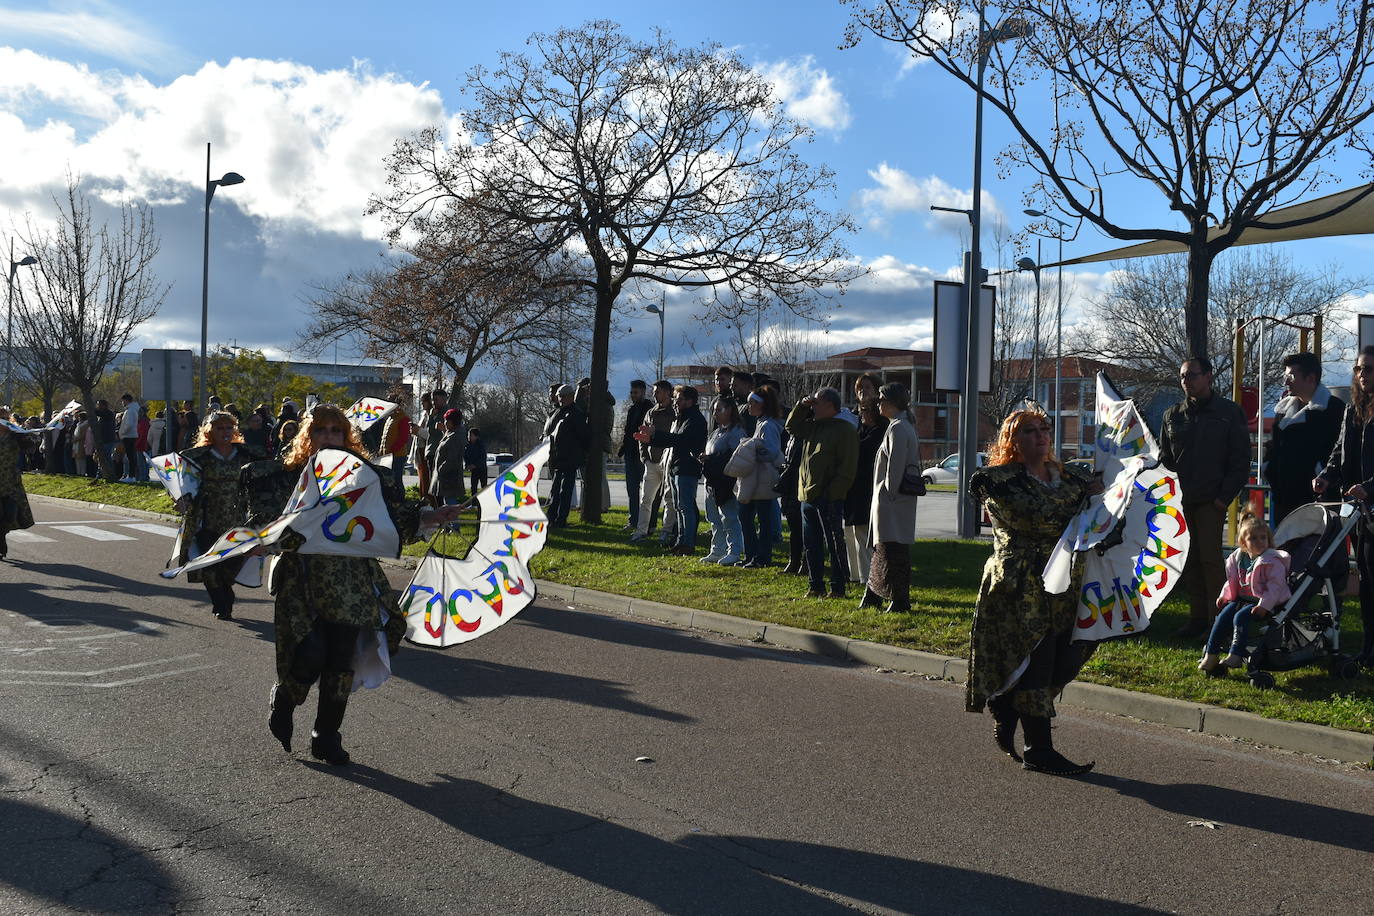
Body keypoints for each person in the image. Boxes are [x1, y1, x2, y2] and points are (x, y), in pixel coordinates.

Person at [264, 405, 459, 765]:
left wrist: (433, 516)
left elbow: (395, 520)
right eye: (320, 430)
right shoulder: (285, 476)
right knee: (309, 654)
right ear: (308, 436)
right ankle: (286, 699)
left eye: (336, 431)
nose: (328, 437)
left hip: (352, 580)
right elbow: (264, 524)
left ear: (346, 437)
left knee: (341, 659)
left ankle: (325, 735)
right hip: (303, 579)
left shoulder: (367, 479)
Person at [968, 408, 1101, 776]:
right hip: (1020, 584)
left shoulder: (1071, 477)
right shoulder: (999, 481)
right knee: (1037, 662)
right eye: (1030, 431)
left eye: (1045, 429)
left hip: (1065, 583)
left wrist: (1098, 499)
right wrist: (1084, 500)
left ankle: (1008, 705)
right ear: (1013, 440)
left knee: (1072, 653)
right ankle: (1039, 748)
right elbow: (1037, 518)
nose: (1041, 436)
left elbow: (1100, 518)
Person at [1158, 356, 1250, 638]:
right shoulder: (1172, 415)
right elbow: (1165, 459)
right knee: (1190, 561)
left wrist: (1224, 498)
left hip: (1212, 500)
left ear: (1208, 376)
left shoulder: (1228, 412)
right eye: (1184, 376)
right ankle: (1197, 619)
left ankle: (1218, 622)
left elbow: (1240, 460)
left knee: (1211, 560)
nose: (1187, 381)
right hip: (1181, 501)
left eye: (1193, 375)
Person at [173, 411, 264, 620]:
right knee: (209, 565)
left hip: (237, 519)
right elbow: (183, 484)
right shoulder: (199, 456)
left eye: (229, 428)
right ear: (210, 431)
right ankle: (221, 603)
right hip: (208, 518)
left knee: (232, 564)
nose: (225, 432)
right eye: (219, 428)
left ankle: (226, 592)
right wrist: (181, 500)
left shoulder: (246, 454)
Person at [1315, 346, 1374, 666]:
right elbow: (1338, 454)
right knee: (1365, 579)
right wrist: (1326, 477)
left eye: (1370, 369)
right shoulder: (1353, 409)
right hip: (1357, 510)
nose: (1363, 374)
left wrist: (1369, 488)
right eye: (1359, 369)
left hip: (1370, 503)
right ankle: (1368, 648)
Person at [786, 387, 858, 598]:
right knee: (812, 545)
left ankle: (838, 587)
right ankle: (815, 585)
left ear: (829, 405)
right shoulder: (813, 427)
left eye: (816, 402)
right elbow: (791, 426)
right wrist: (802, 405)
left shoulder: (845, 430)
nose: (813, 406)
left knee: (833, 545)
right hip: (807, 496)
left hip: (828, 498)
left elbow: (847, 467)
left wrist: (832, 493)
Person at [1198, 512, 1291, 673]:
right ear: (1243, 543)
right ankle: (1211, 654)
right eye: (1253, 539)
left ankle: (1236, 654)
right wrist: (1224, 596)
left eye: (1263, 538)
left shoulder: (1272, 561)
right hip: (1243, 599)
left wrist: (1264, 606)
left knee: (1239, 617)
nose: (1259, 542)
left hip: (1265, 602)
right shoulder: (1239, 558)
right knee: (1222, 617)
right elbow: (1233, 581)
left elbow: (1275, 587)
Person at [1266, 352, 1344, 524]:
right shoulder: (1282, 410)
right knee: (1284, 549)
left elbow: (1339, 453)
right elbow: (1275, 448)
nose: (1286, 382)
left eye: (1291, 376)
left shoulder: (1335, 410)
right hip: (1283, 498)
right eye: (1285, 377)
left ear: (1310, 378)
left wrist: (1322, 475)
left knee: (1317, 549)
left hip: (1317, 500)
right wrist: (1269, 467)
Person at [862, 384, 919, 613]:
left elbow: (894, 468)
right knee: (885, 549)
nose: (878, 404)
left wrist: (887, 494)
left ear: (892, 402)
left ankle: (898, 599)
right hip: (896, 501)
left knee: (891, 549)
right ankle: (875, 595)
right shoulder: (902, 426)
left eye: (881, 400)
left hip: (892, 502)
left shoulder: (898, 428)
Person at [637, 384, 707, 555]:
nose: (676, 402)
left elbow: (681, 440)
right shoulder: (683, 417)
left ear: (690, 401)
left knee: (685, 507)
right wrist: (651, 439)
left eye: (679, 399)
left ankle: (687, 543)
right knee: (679, 506)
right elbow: (673, 440)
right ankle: (680, 540)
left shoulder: (695, 419)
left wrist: (655, 435)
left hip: (687, 468)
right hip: (677, 467)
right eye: (675, 398)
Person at [736, 385, 783, 568]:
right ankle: (752, 554)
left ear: (762, 405)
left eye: (752, 403)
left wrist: (753, 451)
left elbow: (771, 451)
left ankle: (762, 556)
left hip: (763, 478)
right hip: (756, 478)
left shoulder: (768, 425)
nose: (749, 407)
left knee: (761, 519)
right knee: (748, 517)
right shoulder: (760, 422)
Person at [845, 400, 888, 586]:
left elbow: (859, 451)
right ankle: (856, 574)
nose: (861, 416)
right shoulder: (861, 432)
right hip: (854, 490)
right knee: (852, 532)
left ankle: (867, 577)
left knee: (863, 534)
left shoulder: (878, 434)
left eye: (864, 412)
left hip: (867, 490)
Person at [701, 399, 746, 565]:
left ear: (730, 411)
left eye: (719, 410)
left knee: (729, 517)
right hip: (712, 480)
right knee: (713, 517)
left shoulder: (736, 432)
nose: (715, 413)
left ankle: (734, 550)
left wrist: (713, 459)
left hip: (726, 482)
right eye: (714, 410)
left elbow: (736, 456)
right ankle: (717, 549)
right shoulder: (716, 432)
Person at [630, 380, 675, 543]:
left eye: (657, 392)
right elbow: (642, 435)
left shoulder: (675, 412)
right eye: (654, 392)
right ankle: (641, 531)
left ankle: (666, 531)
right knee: (646, 498)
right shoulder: (650, 412)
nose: (654, 395)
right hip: (652, 463)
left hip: (669, 462)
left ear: (667, 392)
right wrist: (645, 457)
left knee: (669, 499)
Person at [547, 384, 590, 527]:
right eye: (559, 396)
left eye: (562, 396)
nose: (559, 399)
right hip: (559, 457)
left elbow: (583, 435)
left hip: (570, 458)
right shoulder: (558, 412)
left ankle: (560, 519)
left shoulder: (575, 413)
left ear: (570, 397)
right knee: (556, 491)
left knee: (565, 492)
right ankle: (552, 518)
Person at [0, 410, 35, 559]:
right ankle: (1, 544)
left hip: (10, 482)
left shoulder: (14, 434)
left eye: (4, 418)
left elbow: (31, 445)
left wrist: (21, 433)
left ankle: (3, 534)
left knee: (10, 514)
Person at [619, 380, 652, 532]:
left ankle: (646, 524)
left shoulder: (649, 409)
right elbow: (628, 431)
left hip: (643, 455)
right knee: (632, 490)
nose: (633, 395)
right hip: (630, 454)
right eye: (632, 392)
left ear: (643, 392)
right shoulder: (632, 410)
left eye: (636, 392)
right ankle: (633, 520)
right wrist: (623, 448)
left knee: (647, 492)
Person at [428, 409, 468, 510]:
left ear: (451, 422)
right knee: (446, 503)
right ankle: (448, 525)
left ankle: (453, 525)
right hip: (445, 477)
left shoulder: (455, 437)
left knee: (450, 504)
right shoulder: (450, 433)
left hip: (449, 477)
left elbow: (451, 459)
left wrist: (441, 470)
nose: (444, 423)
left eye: (446, 421)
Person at [380, 392, 413, 491]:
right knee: (388, 481)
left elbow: (403, 439)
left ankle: (400, 501)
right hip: (387, 456)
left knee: (396, 480)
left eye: (390, 401)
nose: (388, 403)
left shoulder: (403, 418)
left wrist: (391, 451)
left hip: (397, 456)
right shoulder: (390, 418)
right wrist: (381, 451)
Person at [411, 391, 433, 497]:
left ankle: (428, 501)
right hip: (419, 449)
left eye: (424, 401)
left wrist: (418, 430)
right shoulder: (424, 415)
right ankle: (423, 500)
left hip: (426, 450)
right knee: (422, 479)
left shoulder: (433, 415)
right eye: (421, 401)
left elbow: (431, 435)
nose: (422, 404)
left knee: (427, 479)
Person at [118, 393, 142, 482]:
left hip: (128, 436)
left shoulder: (130, 411)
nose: (122, 403)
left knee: (131, 457)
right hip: (130, 435)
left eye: (122, 401)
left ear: (126, 400)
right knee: (131, 457)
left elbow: (129, 425)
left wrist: (122, 433)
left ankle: (131, 476)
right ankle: (131, 476)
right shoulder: (132, 410)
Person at [93, 398, 117, 478]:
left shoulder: (109, 414)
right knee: (102, 457)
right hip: (103, 439)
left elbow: (99, 413)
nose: (97, 406)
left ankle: (109, 474)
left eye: (98, 405)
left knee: (106, 457)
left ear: (103, 406)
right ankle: (100, 474)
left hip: (108, 439)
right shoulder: (103, 415)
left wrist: (91, 409)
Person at [465, 427, 488, 494]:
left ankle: (484, 503)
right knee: (473, 488)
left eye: (471, 435)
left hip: (482, 470)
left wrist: (475, 465)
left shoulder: (481, 445)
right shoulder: (467, 445)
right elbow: (466, 457)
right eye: (468, 435)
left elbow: (483, 457)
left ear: (476, 436)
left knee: (484, 488)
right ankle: (474, 503)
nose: (469, 437)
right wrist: (467, 465)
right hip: (474, 471)